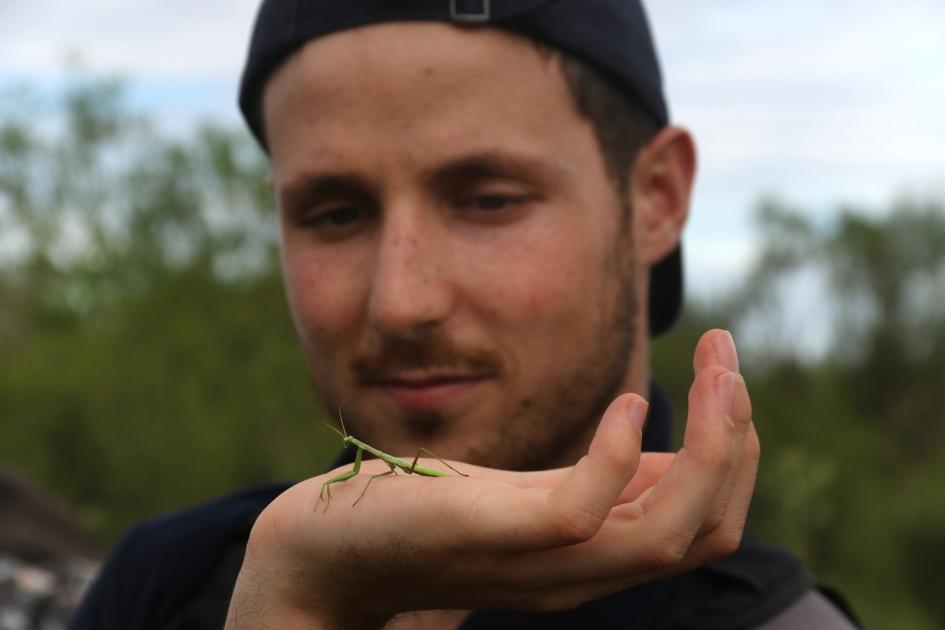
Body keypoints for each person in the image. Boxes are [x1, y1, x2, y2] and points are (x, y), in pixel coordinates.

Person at [72, 1, 860, 628]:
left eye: (489, 200)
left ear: (655, 197)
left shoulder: (776, 621)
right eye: (335, 214)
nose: (402, 303)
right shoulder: (165, 582)